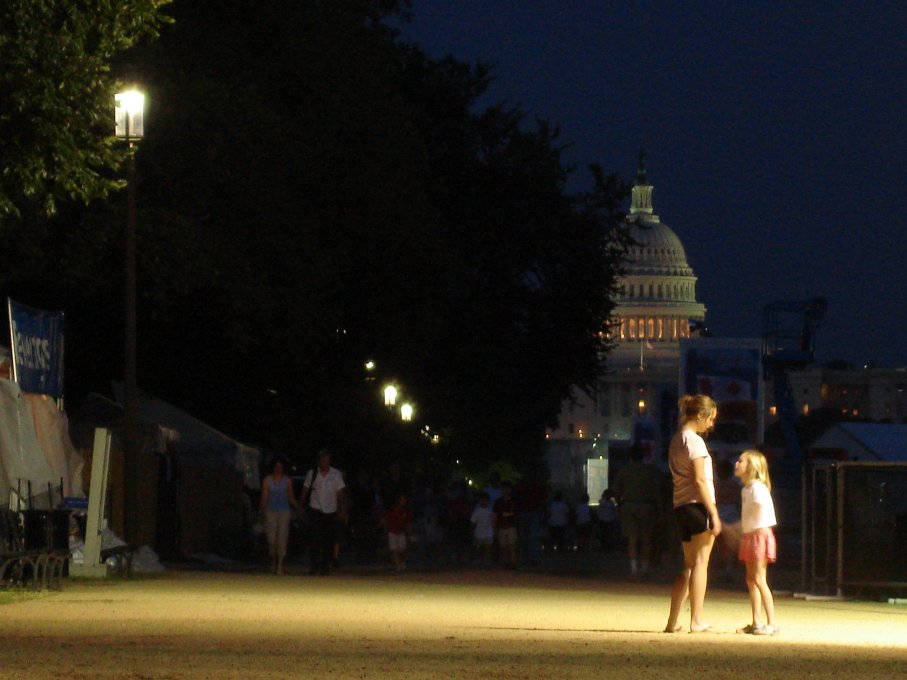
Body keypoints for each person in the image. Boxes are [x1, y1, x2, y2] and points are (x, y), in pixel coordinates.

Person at [664, 394, 721, 634]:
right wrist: (714, 512)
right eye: (710, 419)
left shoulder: (677, 440)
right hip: (698, 505)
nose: (711, 424)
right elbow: (700, 479)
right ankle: (696, 620)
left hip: (681, 506)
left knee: (688, 565)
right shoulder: (695, 442)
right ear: (700, 415)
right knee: (700, 563)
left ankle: (672, 621)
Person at [734, 450, 779, 635]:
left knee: (760, 579)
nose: (736, 463)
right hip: (750, 535)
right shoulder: (746, 489)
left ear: (751, 467)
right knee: (751, 579)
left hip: (758, 535)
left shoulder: (757, 488)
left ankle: (772, 623)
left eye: (741, 461)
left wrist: (739, 528)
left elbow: (760, 510)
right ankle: (757, 622)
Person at [614, 445, 662, 579]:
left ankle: (634, 570)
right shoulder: (651, 471)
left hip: (628, 505)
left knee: (632, 539)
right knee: (646, 539)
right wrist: (660, 509)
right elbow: (657, 492)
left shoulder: (624, 471)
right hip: (647, 506)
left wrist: (620, 505)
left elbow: (617, 492)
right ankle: (645, 569)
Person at [300, 449, 346, 575]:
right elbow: (305, 489)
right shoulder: (312, 473)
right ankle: (314, 566)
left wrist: (342, 509)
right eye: (322, 459)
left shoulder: (336, 474)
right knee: (315, 539)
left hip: (330, 511)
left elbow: (340, 493)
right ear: (319, 460)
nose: (324, 462)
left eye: (327, 459)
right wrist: (301, 505)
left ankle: (325, 567)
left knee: (328, 541)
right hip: (315, 509)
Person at [259, 458, 299, 574]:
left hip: (284, 512)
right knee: (271, 539)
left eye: (280, 467)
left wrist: (298, 506)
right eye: (276, 466)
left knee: (282, 537)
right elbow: (264, 496)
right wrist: (261, 509)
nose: (278, 469)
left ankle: (280, 564)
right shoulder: (267, 480)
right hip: (270, 511)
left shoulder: (287, 480)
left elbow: (290, 497)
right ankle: (273, 558)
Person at [381, 493, 412, 571]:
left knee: (402, 550)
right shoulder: (393, 509)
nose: (403, 501)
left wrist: (409, 532)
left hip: (401, 532)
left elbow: (408, 522)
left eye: (404, 499)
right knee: (395, 550)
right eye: (402, 499)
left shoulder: (406, 510)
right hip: (392, 531)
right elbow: (386, 518)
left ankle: (402, 563)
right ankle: (398, 565)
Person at [493, 482, 518, 568]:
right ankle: (506, 562)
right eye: (504, 489)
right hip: (501, 525)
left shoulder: (514, 501)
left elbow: (517, 513)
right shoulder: (498, 501)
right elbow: (495, 514)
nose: (506, 491)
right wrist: (494, 526)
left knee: (512, 544)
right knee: (503, 546)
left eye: (507, 489)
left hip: (511, 525)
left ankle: (513, 562)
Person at [470, 492, 495, 562]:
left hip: (488, 532)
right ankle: (480, 562)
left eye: (485, 500)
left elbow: (493, 521)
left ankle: (488, 561)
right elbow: (473, 522)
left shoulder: (490, 510)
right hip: (479, 532)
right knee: (479, 548)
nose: (484, 502)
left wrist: (494, 530)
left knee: (488, 548)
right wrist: (472, 531)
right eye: (482, 500)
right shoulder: (477, 510)